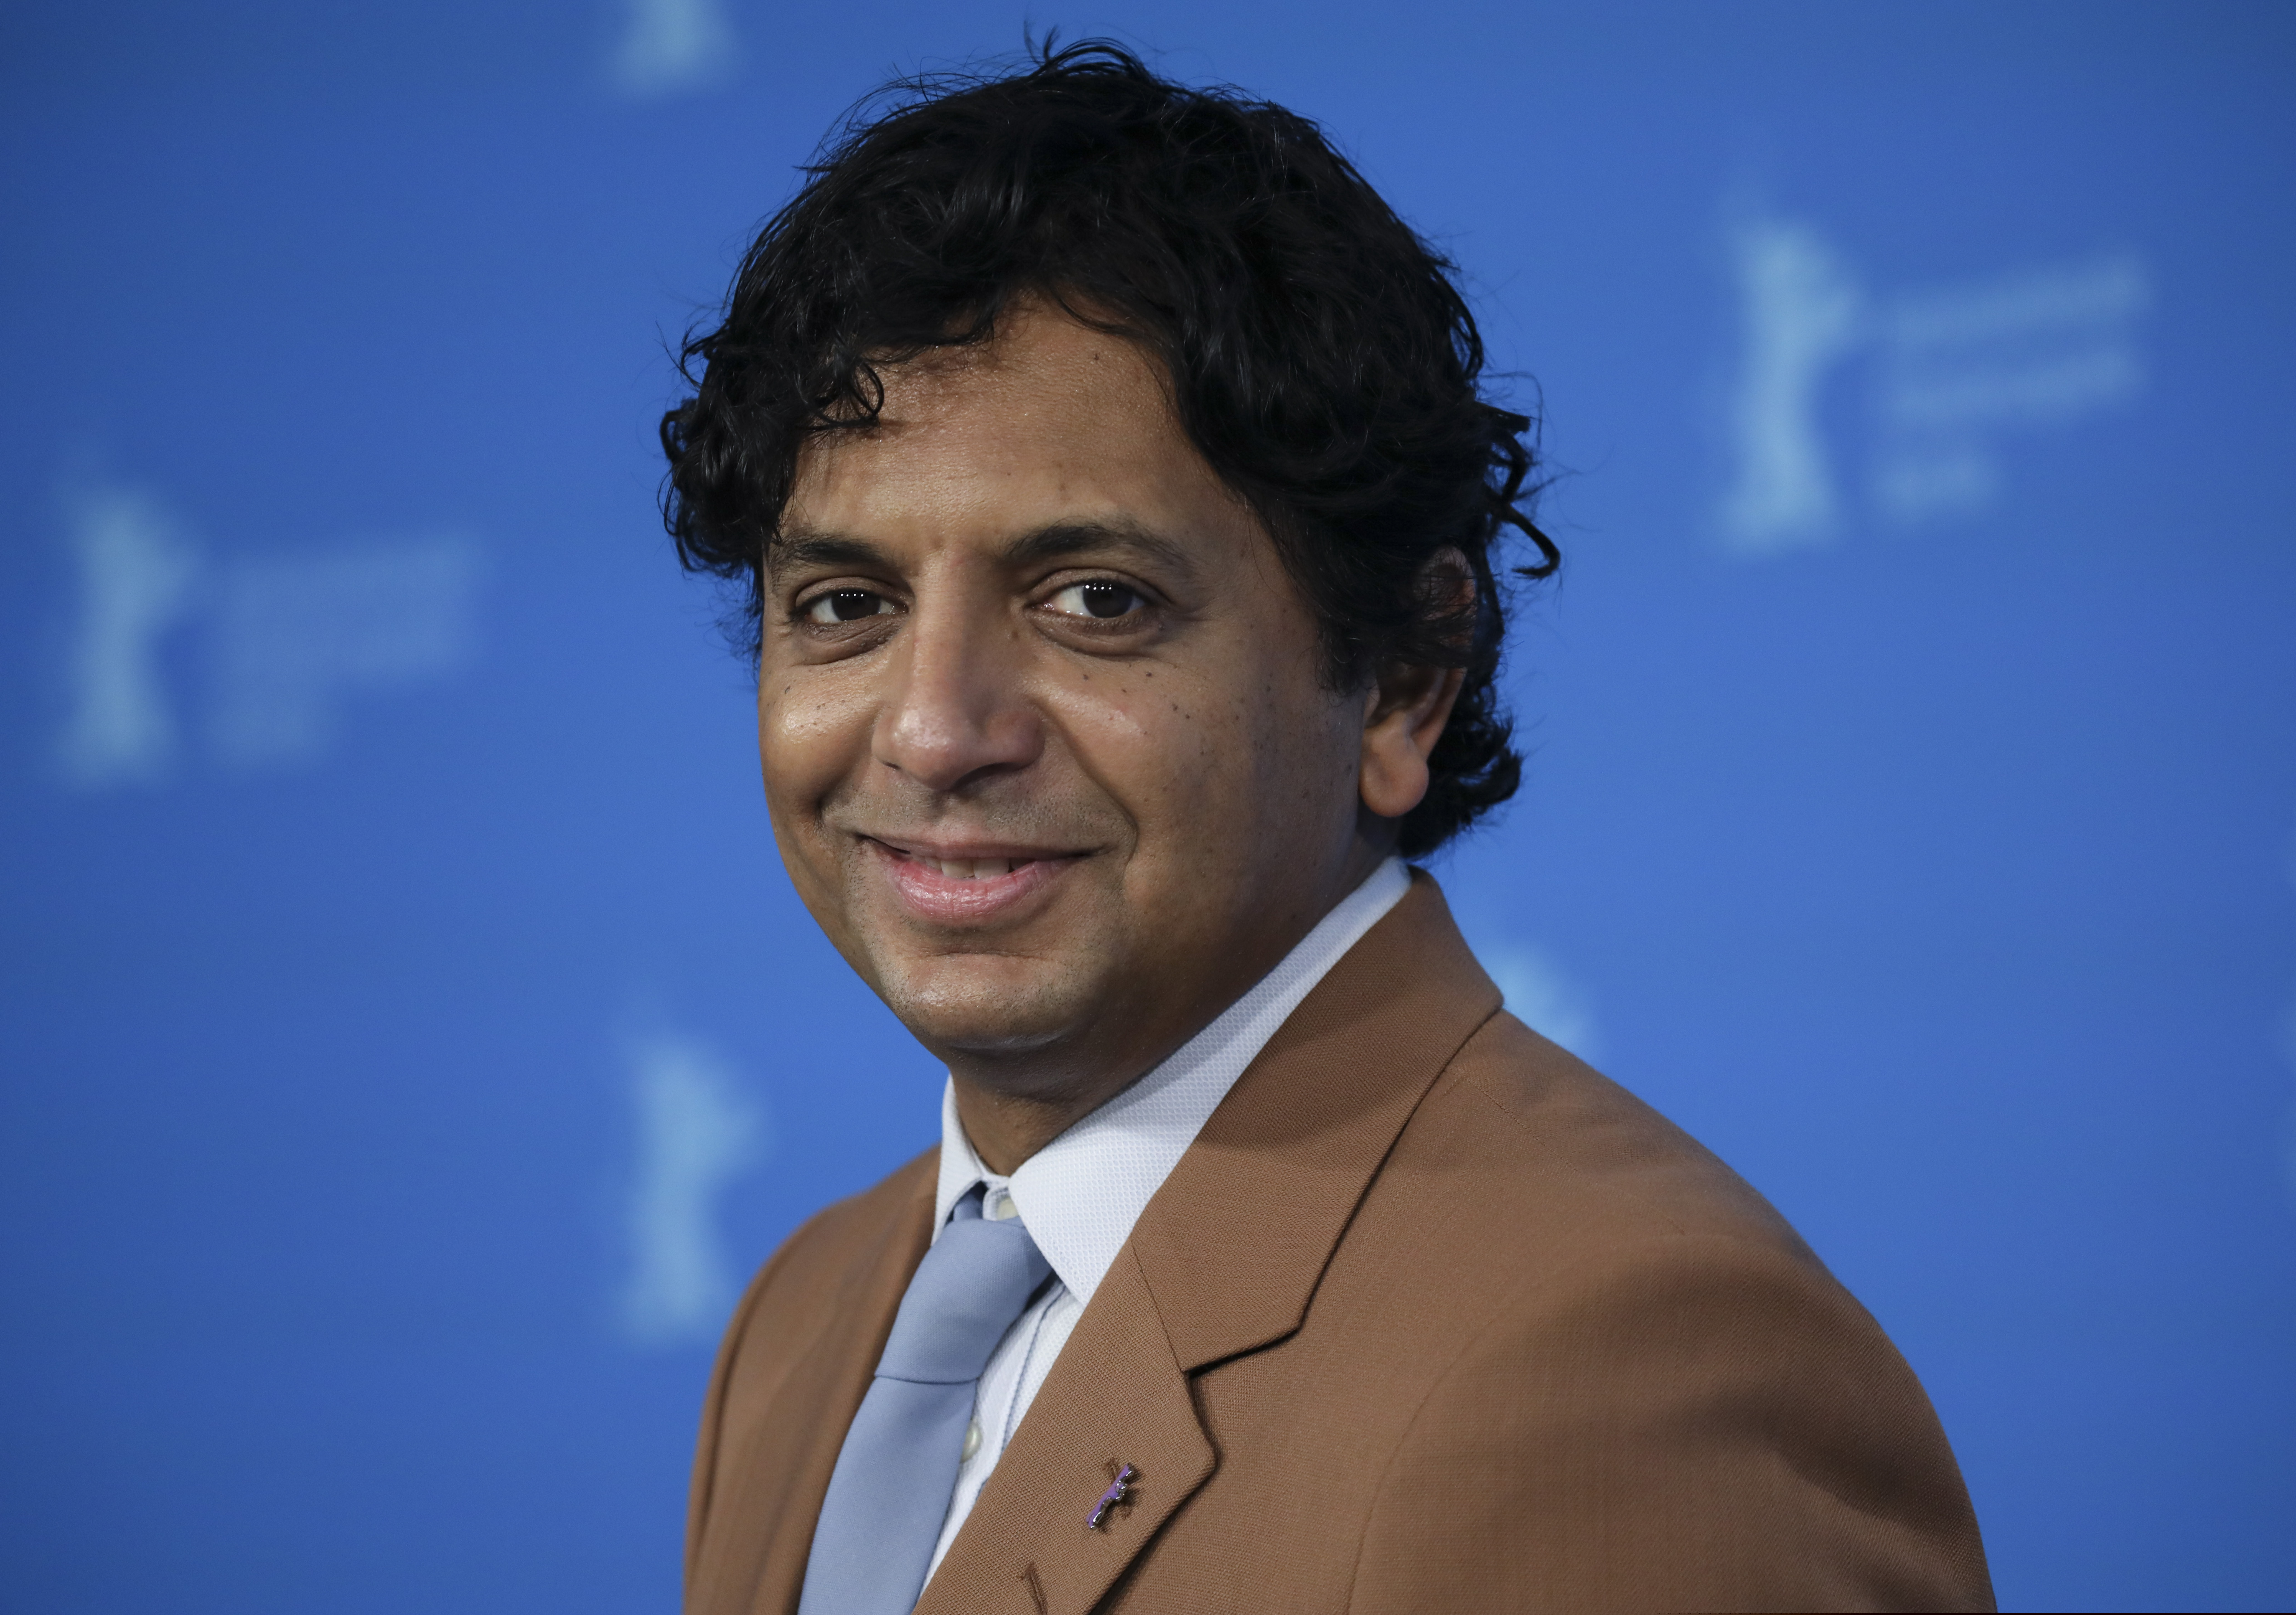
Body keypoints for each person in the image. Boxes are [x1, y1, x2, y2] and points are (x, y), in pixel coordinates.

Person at [659, 40, 1994, 1615]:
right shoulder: (807, 1321)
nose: (936, 730)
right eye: (846, 605)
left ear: (1403, 681)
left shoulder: (1623, 1371)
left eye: (1097, 601)